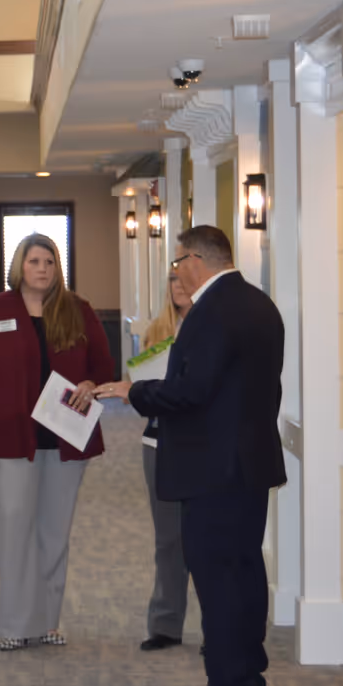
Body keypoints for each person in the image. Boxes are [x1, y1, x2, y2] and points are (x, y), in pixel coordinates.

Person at [97, 226, 285, 686]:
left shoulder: (211, 312)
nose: (176, 270)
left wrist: (132, 392)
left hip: (212, 468)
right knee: (244, 570)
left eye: (177, 261)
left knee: (218, 577)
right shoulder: (259, 304)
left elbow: (190, 392)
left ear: (196, 259)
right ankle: (247, 676)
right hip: (249, 462)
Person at [0, 233, 114, 652]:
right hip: (12, 441)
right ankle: (15, 623)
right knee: (15, 531)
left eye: (49, 261)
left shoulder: (78, 310)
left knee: (54, 532)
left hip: (66, 438)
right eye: (34, 261)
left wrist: (90, 383)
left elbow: (103, 369)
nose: (43, 268)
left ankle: (48, 621)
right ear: (19, 266)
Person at [135, 272, 194, 652]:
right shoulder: (156, 330)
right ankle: (165, 624)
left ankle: (217, 629)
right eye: (171, 280)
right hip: (158, 442)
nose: (178, 285)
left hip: (200, 445)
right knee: (168, 539)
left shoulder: (212, 328)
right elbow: (140, 383)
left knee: (204, 539)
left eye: (184, 279)